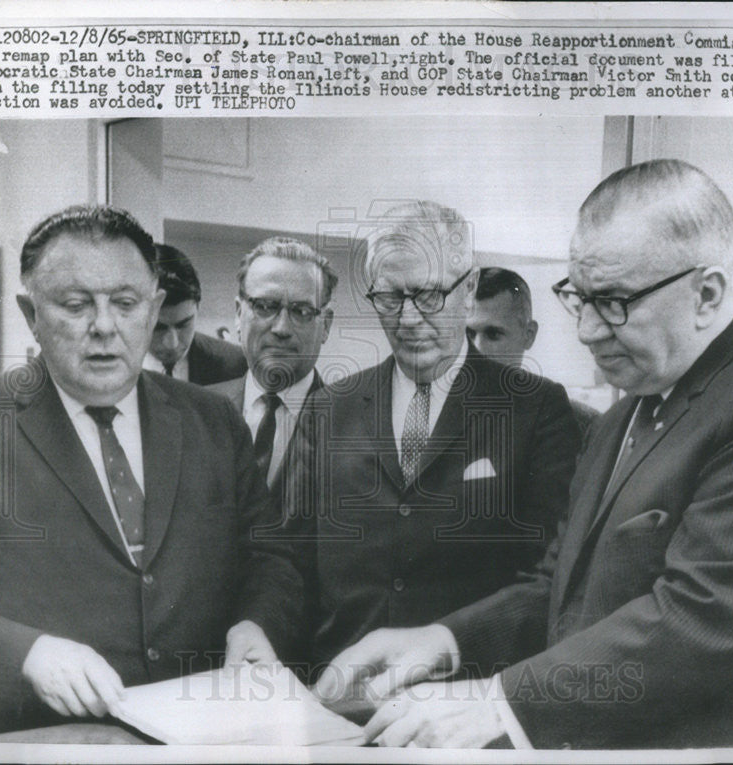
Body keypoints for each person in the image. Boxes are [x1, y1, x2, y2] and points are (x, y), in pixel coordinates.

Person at [314, 161, 733, 749]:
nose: (587, 331)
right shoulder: (620, 419)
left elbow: (705, 616)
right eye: (579, 298)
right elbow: (561, 587)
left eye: (615, 302)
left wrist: (498, 702)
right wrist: (440, 642)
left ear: (707, 294)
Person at [0, 206, 304, 738]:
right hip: (42, 738)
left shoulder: (212, 419)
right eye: (75, 305)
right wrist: (26, 652)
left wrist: (258, 623)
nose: (104, 327)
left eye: (125, 303)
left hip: (207, 732)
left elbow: (271, 557)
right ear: (30, 314)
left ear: (154, 306)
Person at [278, 201, 583, 675]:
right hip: (340, 694)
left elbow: (548, 578)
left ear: (469, 290)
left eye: (428, 295)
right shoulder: (327, 408)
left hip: (465, 703)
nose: (409, 318)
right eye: (391, 298)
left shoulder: (535, 408)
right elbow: (288, 564)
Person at [208, 237, 336, 490]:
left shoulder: (355, 428)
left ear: (326, 325)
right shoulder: (197, 413)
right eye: (265, 306)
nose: (281, 328)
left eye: (301, 312)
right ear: (238, 314)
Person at [468, 266, 600, 438]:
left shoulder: (580, 424)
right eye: (468, 335)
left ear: (528, 335)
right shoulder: (432, 413)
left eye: (493, 334)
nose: (476, 350)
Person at [144, 243, 248, 384]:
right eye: (158, 327)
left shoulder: (236, 365)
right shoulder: (111, 364)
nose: (172, 344)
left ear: (198, 308)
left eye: (183, 325)